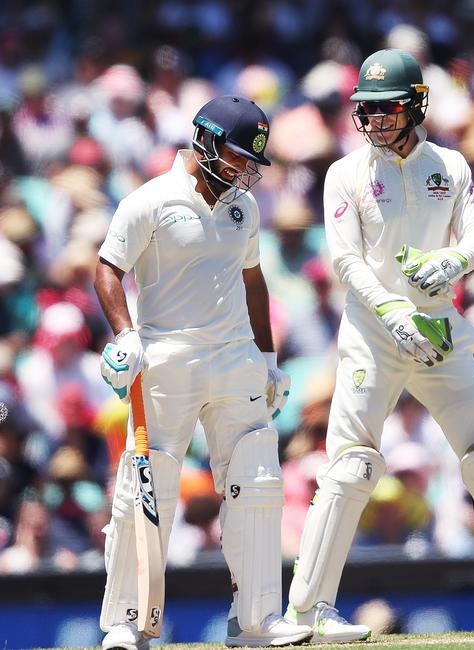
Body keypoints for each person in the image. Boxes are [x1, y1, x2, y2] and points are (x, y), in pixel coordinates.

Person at [284, 49, 474, 641]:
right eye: (366, 109)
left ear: (415, 106)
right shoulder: (346, 173)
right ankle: (310, 610)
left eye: (386, 108)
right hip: (372, 336)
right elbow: (345, 260)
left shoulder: (450, 166)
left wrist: (451, 260)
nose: (374, 120)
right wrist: (392, 310)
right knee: (350, 465)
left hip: (438, 330)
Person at [94, 95, 312, 649]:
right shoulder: (150, 200)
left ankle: (256, 620)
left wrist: (268, 359)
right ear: (206, 140)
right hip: (167, 358)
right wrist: (126, 337)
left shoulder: (245, 208)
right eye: (238, 156)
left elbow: (255, 281)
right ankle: (127, 620)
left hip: (236, 358)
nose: (244, 170)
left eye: (251, 162)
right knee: (149, 485)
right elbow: (107, 271)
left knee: (258, 482)